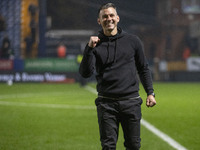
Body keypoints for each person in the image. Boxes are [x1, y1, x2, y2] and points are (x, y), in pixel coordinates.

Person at [79, 3, 156, 150]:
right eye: (105, 16)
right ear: (99, 21)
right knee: (108, 147)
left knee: (133, 146)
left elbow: (143, 68)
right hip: (106, 104)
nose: (109, 19)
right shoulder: (95, 45)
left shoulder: (133, 41)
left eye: (111, 15)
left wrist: (150, 93)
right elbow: (85, 73)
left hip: (131, 102)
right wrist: (89, 49)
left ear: (118, 18)